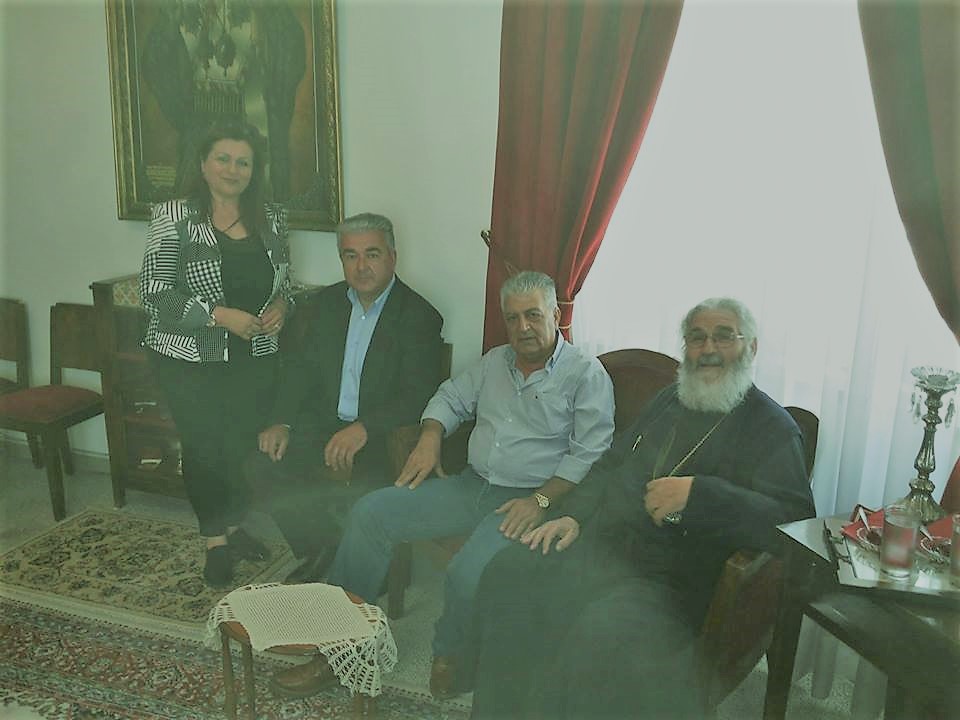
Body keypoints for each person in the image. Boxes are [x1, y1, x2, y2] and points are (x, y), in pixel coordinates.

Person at [268, 271, 616, 699]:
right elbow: (449, 398)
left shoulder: (585, 374)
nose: (523, 327)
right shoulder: (495, 362)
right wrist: (431, 436)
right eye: (512, 318)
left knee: (467, 570)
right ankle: (339, 649)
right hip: (471, 485)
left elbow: (591, 455)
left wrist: (541, 500)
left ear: (555, 315)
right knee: (370, 513)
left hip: (529, 499)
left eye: (533, 315)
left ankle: (451, 655)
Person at [467, 297, 817, 720]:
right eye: (697, 338)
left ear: (751, 348)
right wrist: (573, 515)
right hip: (607, 548)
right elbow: (611, 463)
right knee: (508, 574)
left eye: (724, 337)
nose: (708, 349)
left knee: (599, 635)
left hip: (676, 583)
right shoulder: (671, 399)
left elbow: (795, 520)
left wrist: (702, 495)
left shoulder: (772, 428)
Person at [246, 212, 444, 585]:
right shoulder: (325, 303)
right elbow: (300, 370)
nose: (361, 266)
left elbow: (419, 393)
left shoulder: (419, 316)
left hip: (382, 434)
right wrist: (281, 421)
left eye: (372, 254)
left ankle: (372, 564)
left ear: (392, 257)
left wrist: (364, 428)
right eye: (350, 255)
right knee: (262, 463)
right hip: (323, 423)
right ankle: (323, 545)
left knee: (370, 506)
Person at [139, 119, 295, 589]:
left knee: (239, 445)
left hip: (254, 354)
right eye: (223, 159)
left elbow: (284, 282)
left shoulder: (272, 217)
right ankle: (215, 542)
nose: (233, 169)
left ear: (254, 169)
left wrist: (282, 305)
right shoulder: (174, 216)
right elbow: (155, 292)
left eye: (243, 162)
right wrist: (218, 315)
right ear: (204, 164)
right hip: (191, 357)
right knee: (204, 446)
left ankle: (234, 524)